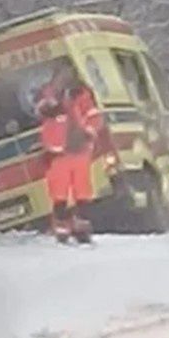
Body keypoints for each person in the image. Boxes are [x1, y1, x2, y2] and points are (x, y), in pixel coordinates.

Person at [36, 61, 103, 242]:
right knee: (59, 193)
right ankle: (62, 229)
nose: (64, 78)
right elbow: (41, 111)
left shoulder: (82, 94)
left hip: (79, 149)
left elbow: (93, 116)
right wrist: (52, 106)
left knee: (82, 191)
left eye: (67, 74)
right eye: (61, 74)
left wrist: (89, 133)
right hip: (57, 152)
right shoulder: (49, 94)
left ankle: (81, 227)